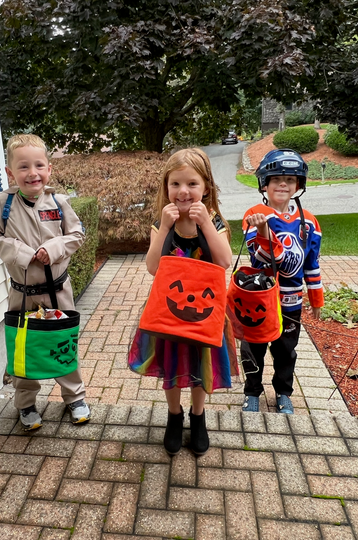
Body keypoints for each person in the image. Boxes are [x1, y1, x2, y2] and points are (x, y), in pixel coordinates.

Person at [128, 148, 237, 456]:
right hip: (168, 315)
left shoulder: (214, 222)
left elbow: (224, 261)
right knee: (172, 365)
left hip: (204, 316)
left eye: (192, 184)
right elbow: (152, 267)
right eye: (175, 184)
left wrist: (204, 225)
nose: (183, 191)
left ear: (206, 188)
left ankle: (198, 416)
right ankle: (174, 415)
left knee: (203, 366)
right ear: (166, 188)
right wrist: (163, 228)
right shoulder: (162, 224)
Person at [0, 134, 90, 431]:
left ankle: (75, 397)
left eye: (39, 165)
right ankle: (26, 404)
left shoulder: (59, 202)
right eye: (23, 167)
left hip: (58, 292)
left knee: (63, 343)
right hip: (22, 294)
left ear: (49, 169)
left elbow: (77, 235)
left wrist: (54, 249)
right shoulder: (3, 204)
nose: (33, 173)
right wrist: (23, 253)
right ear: (10, 173)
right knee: (24, 347)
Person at [240, 149, 324, 414]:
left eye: (290, 179)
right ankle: (252, 392)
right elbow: (263, 256)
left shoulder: (309, 221)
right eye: (276, 179)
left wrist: (316, 298)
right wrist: (263, 230)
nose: (283, 184)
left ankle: (283, 393)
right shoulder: (254, 214)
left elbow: (311, 263)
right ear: (265, 183)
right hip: (258, 300)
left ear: (299, 184)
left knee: (286, 350)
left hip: (291, 301)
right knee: (253, 349)